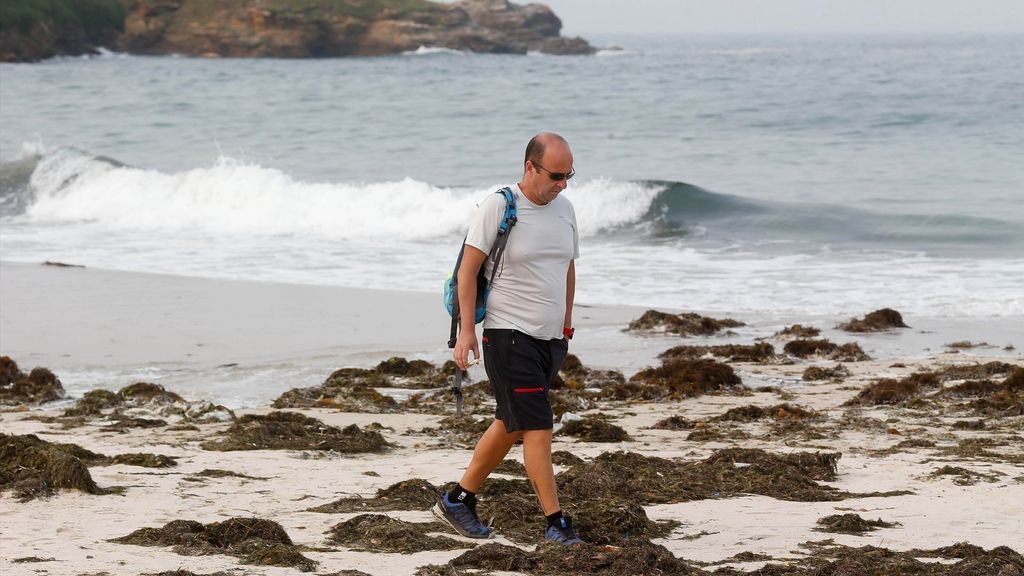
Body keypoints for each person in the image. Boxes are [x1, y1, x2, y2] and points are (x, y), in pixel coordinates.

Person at [433, 132, 582, 545]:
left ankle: (458, 500)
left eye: (569, 174)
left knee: (511, 422)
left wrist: (566, 323)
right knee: (537, 425)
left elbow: (567, 267)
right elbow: (467, 270)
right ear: (530, 167)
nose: (563, 184)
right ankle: (556, 524)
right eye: (556, 174)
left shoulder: (565, 209)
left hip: (550, 339)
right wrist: (466, 332)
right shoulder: (499, 206)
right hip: (508, 334)